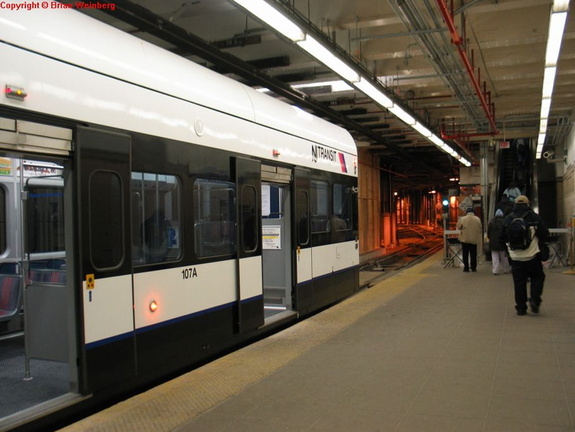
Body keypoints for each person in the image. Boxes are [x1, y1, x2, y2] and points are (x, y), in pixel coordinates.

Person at [499, 195, 549, 316]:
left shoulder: (508, 219)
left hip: (515, 257)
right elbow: (544, 234)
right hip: (532, 255)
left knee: (519, 282)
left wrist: (509, 250)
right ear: (528, 204)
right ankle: (535, 300)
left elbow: (501, 238)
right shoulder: (534, 217)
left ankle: (521, 308)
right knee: (538, 277)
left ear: (515, 204)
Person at [456, 207, 482, 272]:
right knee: (473, 254)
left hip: (465, 239)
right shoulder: (477, 219)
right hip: (474, 239)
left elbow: (458, 227)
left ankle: (466, 268)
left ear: (467, 212)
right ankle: (473, 267)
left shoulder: (462, 219)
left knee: (465, 254)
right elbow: (480, 227)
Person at [487, 209, 510, 275]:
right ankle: (506, 269)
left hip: (493, 242)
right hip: (502, 242)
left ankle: (495, 270)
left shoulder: (491, 222)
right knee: (504, 257)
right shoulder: (504, 222)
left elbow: (488, 233)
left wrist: (490, 238)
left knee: (495, 257)